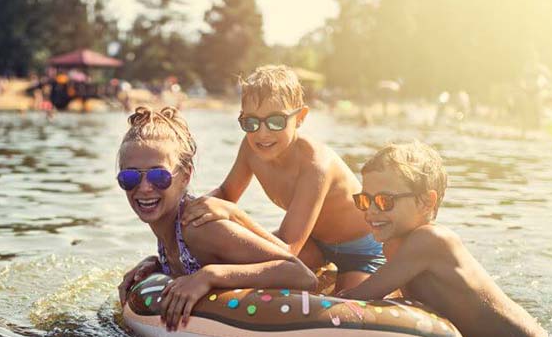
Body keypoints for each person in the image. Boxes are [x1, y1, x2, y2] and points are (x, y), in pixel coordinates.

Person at [125, 65, 383, 293]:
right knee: (244, 259)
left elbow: (289, 249)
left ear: (300, 118)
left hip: (360, 248)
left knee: (347, 302)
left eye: (275, 121)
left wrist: (233, 214)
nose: (262, 133)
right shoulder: (251, 149)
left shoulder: (316, 165)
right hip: (314, 243)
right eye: (251, 122)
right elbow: (226, 193)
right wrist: (186, 218)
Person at [116, 107, 317, 330]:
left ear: (185, 176)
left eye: (158, 176)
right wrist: (157, 264)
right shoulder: (166, 228)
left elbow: (301, 274)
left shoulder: (198, 228)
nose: (144, 188)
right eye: (130, 176)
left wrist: (211, 275)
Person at [337, 141, 548, 337]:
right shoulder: (392, 247)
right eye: (364, 200)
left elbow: (361, 295)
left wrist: (312, 299)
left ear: (426, 202)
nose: (370, 211)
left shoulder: (429, 240)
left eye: (384, 201)